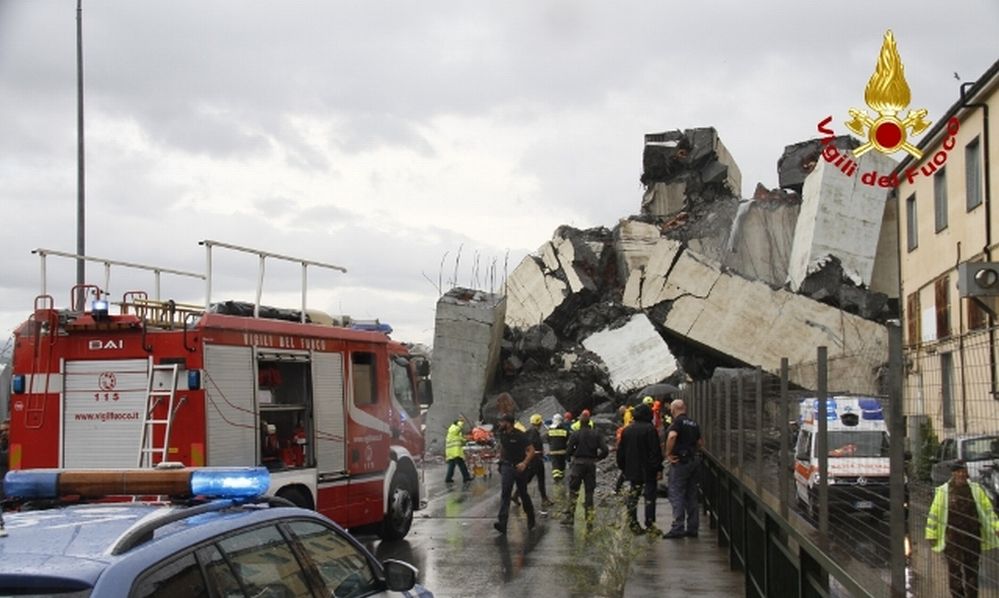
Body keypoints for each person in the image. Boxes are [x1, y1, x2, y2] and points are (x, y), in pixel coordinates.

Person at [926, 460, 999, 597]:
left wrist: (996, 527)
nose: (961, 474)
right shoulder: (943, 491)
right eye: (958, 471)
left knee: (972, 573)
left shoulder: (976, 490)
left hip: (972, 539)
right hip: (953, 540)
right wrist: (931, 534)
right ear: (953, 473)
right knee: (955, 574)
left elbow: (988, 511)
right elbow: (934, 514)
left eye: (963, 471)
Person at [616, 403, 663, 535]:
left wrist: (623, 467)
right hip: (648, 469)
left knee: (633, 495)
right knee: (649, 497)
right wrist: (658, 468)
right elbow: (655, 451)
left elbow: (621, 452)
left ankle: (633, 523)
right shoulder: (650, 429)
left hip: (632, 469)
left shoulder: (627, 430)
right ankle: (649, 523)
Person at [663, 399, 703, 539]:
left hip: (681, 461)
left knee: (676, 492)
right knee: (692, 494)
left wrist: (668, 453)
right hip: (693, 460)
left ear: (673, 410)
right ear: (684, 408)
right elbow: (699, 442)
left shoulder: (677, 423)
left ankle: (678, 527)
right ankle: (693, 527)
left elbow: (672, 436)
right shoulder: (694, 423)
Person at [562, 410, 608, 528]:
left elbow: (568, 451)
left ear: (579, 423)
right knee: (589, 492)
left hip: (578, 464)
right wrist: (598, 458)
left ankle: (570, 517)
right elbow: (605, 450)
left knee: (573, 491)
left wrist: (569, 458)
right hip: (591, 464)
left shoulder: (575, 434)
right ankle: (589, 519)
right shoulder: (597, 434)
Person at [494, 413, 537, 534]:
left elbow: (531, 451)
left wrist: (524, 463)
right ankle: (502, 523)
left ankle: (531, 517)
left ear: (508, 423)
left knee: (523, 493)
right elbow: (503, 448)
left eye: (502, 422)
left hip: (519, 467)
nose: (500, 424)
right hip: (507, 466)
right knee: (505, 493)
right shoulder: (502, 434)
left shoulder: (520, 435)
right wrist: (501, 463)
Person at [525, 413, 554, 508]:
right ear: (539, 423)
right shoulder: (534, 433)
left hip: (531, 459)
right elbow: (534, 446)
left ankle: (516, 494)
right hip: (536, 459)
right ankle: (544, 499)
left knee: (528, 478)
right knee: (541, 479)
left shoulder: (529, 432)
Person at [444, 416, 473, 486]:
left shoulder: (454, 431)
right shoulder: (453, 428)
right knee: (462, 464)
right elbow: (457, 429)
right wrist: (461, 421)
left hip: (450, 451)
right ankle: (466, 477)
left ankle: (448, 478)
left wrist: (467, 439)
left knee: (452, 465)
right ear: (457, 424)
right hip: (455, 451)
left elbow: (459, 438)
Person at [546, 413, 569, 487]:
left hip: (553, 451)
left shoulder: (549, 431)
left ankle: (556, 479)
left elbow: (548, 440)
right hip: (562, 451)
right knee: (562, 465)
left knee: (555, 466)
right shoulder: (565, 430)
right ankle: (561, 478)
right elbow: (568, 440)